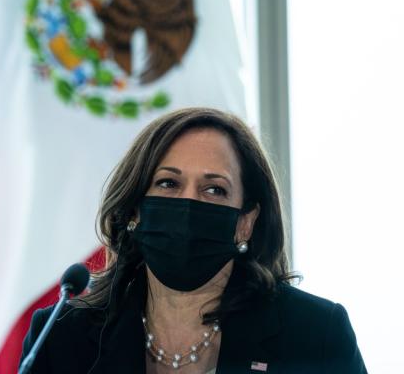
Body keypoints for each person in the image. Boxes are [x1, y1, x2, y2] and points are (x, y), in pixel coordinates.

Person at [20, 107, 365, 373]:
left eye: (214, 189)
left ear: (245, 223)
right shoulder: (60, 338)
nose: (188, 205)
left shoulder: (315, 334)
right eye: (169, 184)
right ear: (135, 210)